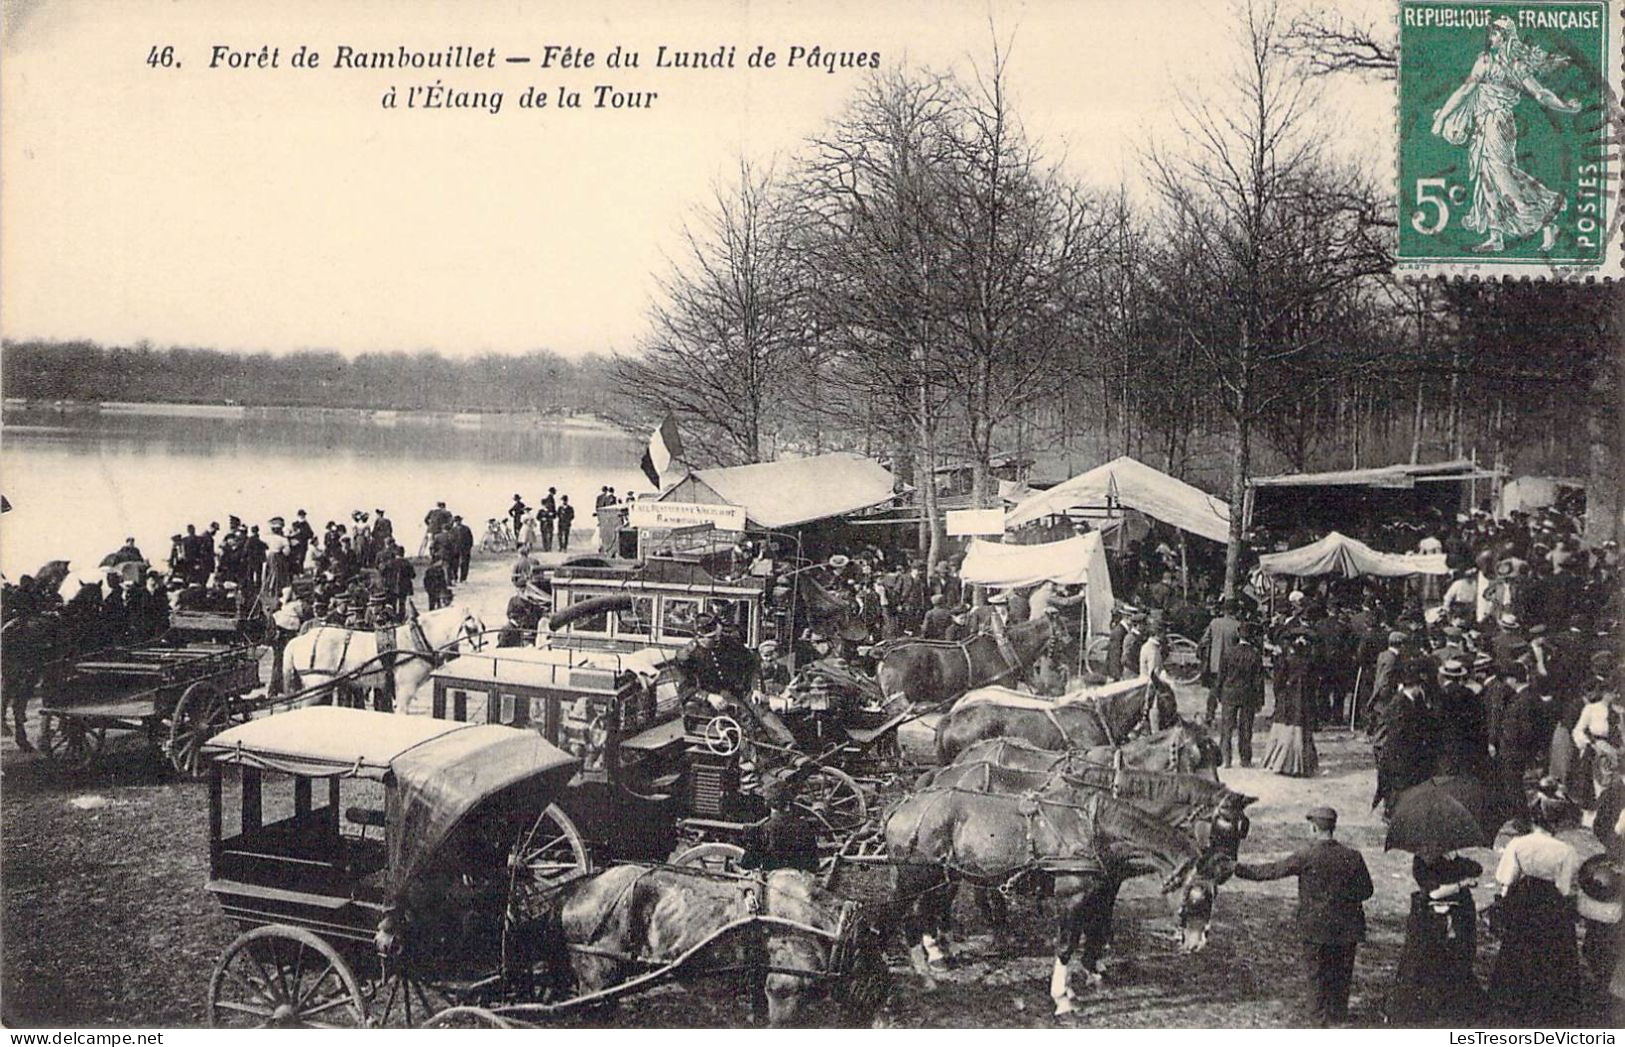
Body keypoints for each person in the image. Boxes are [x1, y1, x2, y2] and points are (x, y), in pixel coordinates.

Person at [1235, 807, 1374, 1027]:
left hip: (1315, 927)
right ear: (1333, 827)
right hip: (1347, 928)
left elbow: (1270, 872)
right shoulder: (1353, 856)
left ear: (1313, 828)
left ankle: (1318, 1023)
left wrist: (1237, 869)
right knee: (1341, 975)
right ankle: (1338, 1018)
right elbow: (1367, 891)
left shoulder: (1306, 856)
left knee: (1316, 976)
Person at [1488, 782, 1583, 1025]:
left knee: (1517, 948)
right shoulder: (1565, 851)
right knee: (1552, 953)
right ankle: (1548, 1001)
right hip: (1550, 906)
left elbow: (1505, 878)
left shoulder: (1518, 844)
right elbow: (1563, 887)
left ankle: (1512, 997)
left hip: (1523, 901)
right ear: (1558, 822)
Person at [1384, 853, 1487, 1026]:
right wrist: (1461, 883)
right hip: (1430, 918)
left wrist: (1455, 860)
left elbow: (1476, 868)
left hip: (1453, 915)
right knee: (1424, 961)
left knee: (1454, 961)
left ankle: (1449, 1004)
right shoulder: (1422, 861)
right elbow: (1434, 893)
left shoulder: (1453, 860)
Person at [1263, 630, 1319, 777]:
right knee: (1301, 730)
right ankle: (1302, 765)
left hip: (1287, 700)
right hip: (1303, 701)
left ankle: (1280, 762)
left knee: (1285, 730)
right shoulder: (1310, 663)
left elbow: (1278, 683)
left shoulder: (1286, 661)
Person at [1214, 621, 1265, 768]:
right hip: (1247, 694)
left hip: (1229, 692)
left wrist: (1218, 693)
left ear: (1238, 634)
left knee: (1226, 727)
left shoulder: (1229, 652)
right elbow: (1258, 680)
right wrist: (1260, 700)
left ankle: (1226, 759)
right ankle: (1245, 759)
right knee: (1246, 727)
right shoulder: (1255, 654)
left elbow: (1221, 675)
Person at [1199, 600, 1243, 722]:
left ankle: (1209, 714)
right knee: (1228, 691)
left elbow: (1204, 640)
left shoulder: (1214, 623)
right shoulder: (1238, 625)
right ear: (1236, 611)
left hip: (1215, 663)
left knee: (1213, 690)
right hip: (1231, 665)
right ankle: (1229, 718)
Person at [451, 515, 474, 583]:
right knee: (454, 564)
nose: (458, 522)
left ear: (461, 521)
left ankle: (463, 578)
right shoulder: (452, 530)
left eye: (459, 521)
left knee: (465, 563)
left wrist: (469, 547)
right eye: (456, 521)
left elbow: (470, 538)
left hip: (465, 549)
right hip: (455, 549)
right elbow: (450, 540)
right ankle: (455, 577)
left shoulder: (466, 529)